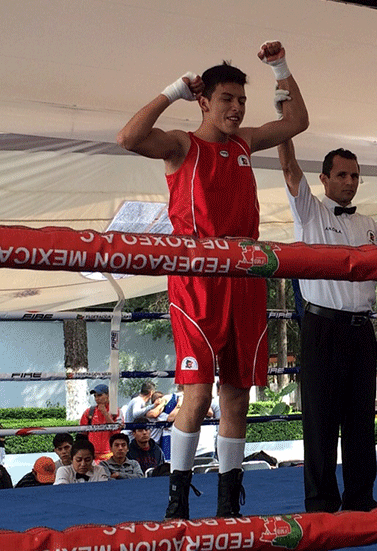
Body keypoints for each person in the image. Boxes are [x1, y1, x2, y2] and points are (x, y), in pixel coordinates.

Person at [117, 40, 308, 519]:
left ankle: (228, 500)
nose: (237, 108)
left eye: (241, 100)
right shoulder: (183, 145)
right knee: (198, 393)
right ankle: (177, 499)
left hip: (244, 279)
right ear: (204, 101)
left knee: (238, 394)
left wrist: (280, 69)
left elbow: (296, 122)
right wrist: (170, 92)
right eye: (227, 99)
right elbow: (128, 138)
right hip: (196, 279)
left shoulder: (245, 142)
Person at [277, 138, 377, 513]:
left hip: (361, 331)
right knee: (320, 420)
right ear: (324, 179)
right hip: (321, 326)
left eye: (355, 175)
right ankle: (321, 503)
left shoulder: (370, 225)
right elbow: (290, 167)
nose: (349, 181)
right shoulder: (309, 212)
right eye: (341, 174)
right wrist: (284, 128)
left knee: (361, 419)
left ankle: (361, 499)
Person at [80, 384, 121, 462]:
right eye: (95, 396)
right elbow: (82, 434)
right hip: (92, 456)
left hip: (110, 456)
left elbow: (117, 433)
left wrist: (105, 413)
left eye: (99, 395)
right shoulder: (89, 412)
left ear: (108, 396)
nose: (97, 399)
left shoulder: (116, 411)